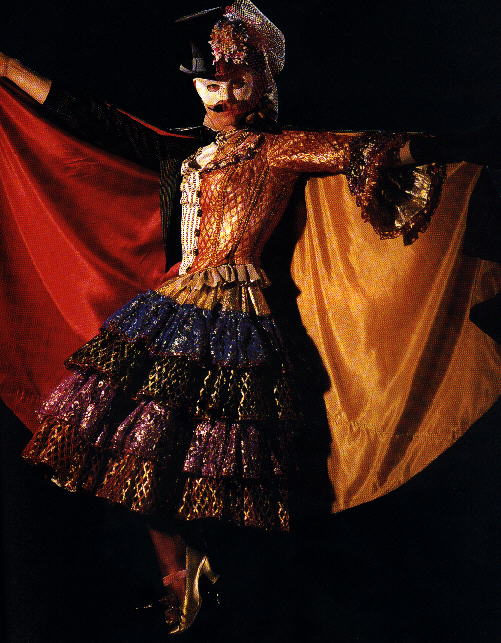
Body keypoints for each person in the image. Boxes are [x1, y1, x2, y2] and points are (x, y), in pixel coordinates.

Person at [0, 1, 499, 635]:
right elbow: (92, 118)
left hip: (234, 312)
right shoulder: (184, 152)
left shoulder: (276, 149)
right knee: (124, 442)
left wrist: (458, 142)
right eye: (210, 84)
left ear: (258, 84)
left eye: (233, 82)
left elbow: (363, 148)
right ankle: (178, 571)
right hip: (170, 305)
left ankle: (224, 584)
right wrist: (9, 70)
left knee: (219, 457)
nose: (220, 95)